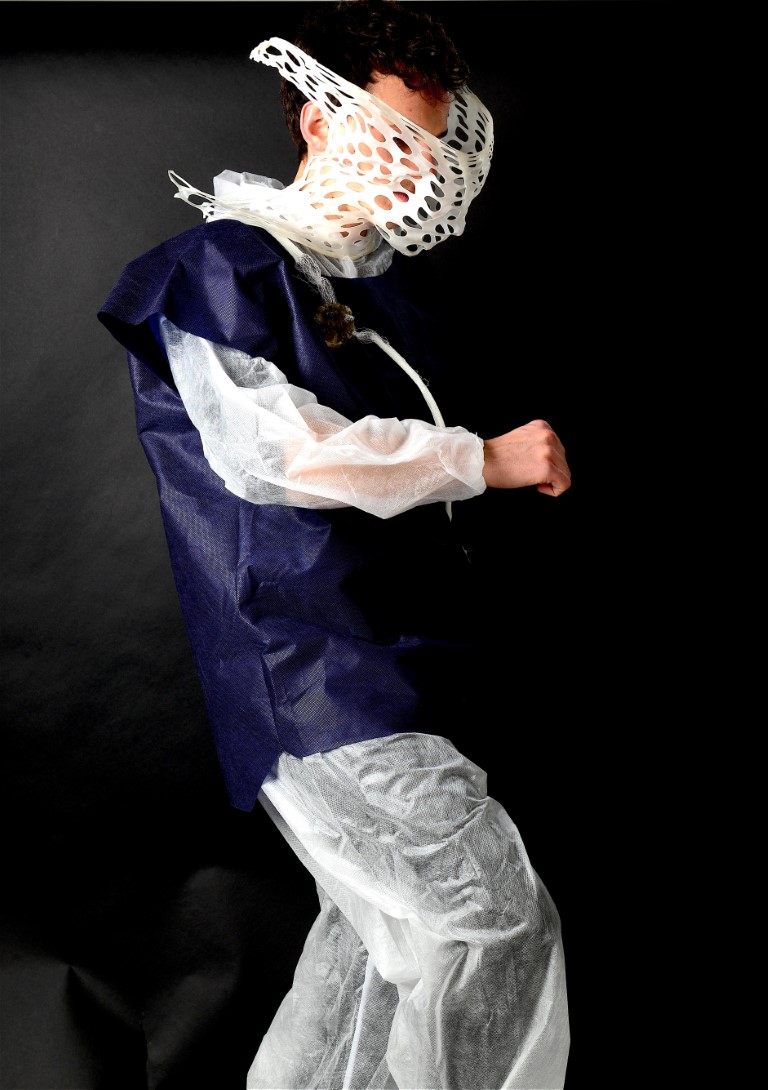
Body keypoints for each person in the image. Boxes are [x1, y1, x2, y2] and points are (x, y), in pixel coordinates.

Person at [98, 2, 571, 1087]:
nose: (419, 171)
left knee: (376, 949)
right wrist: (485, 458)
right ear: (319, 120)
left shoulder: (380, 290)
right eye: (396, 138)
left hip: (392, 657)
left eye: (430, 146)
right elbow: (277, 454)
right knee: (485, 921)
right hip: (310, 667)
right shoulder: (220, 265)